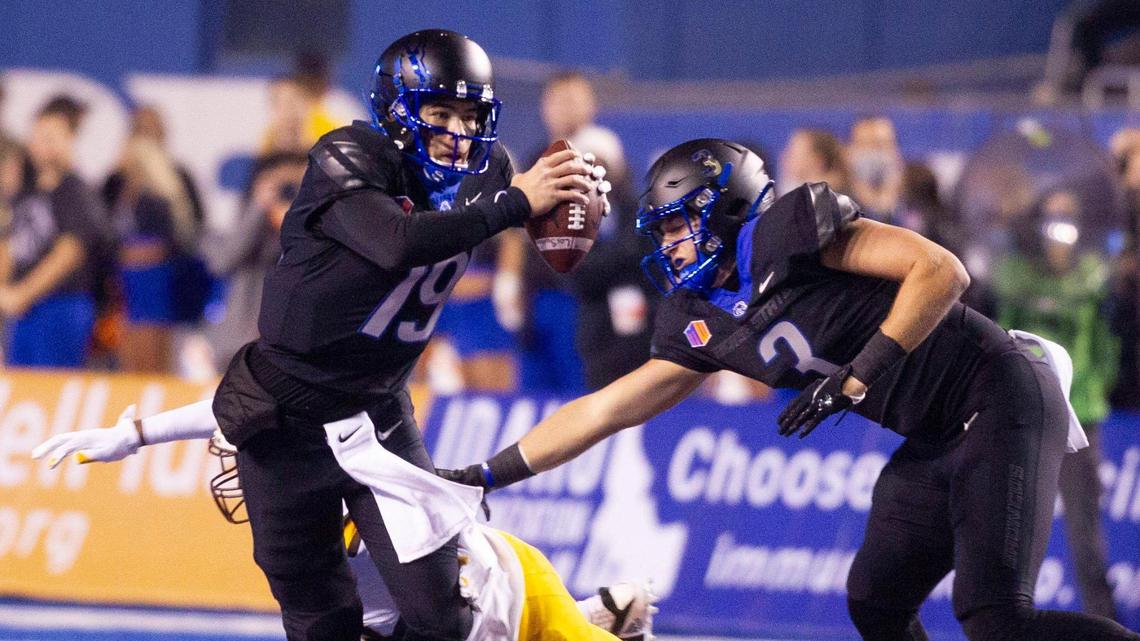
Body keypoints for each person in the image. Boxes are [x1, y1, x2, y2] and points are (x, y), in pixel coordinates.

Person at [438, 139, 1140, 641]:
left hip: (1003, 391)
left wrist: (860, 371)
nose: (674, 245)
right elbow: (606, 406)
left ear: (726, 209)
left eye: (681, 225)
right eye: (667, 230)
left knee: (996, 616)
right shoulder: (700, 314)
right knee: (874, 600)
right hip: (935, 433)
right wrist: (486, 471)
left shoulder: (789, 229)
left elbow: (940, 270)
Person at [202, 29, 597, 641]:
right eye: (440, 112)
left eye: (471, 114)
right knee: (317, 618)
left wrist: (572, 205)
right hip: (286, 411)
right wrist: (516, 205)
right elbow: (397, 244)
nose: (458, 130)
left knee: (439, 616)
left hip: (377, 408)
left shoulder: (489, 169)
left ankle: (549, 603)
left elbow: (542, 231)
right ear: (397, 110)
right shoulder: (347, 155)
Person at [31, 402, 659, 641]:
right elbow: (240, 398)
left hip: (515, 601)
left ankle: (586, 620)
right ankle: (599, 613)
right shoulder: (326, 510)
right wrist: (138, 433)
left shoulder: (365, 534)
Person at [992, 190, 1120, 621]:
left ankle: (1102, 619)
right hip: (1026, 415)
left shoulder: (1095, 275)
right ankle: (1002, 618)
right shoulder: (1015, 275)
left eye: (1069, 215)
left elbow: (1107, 342)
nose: (1059, 224)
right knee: (1011, 527)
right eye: (1052, 215)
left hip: (1080, 415)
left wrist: (1099, 383)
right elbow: (1005, 331)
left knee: (1085, 534)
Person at [1, 95, 112, 367]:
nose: (42, 146)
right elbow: (10, 244)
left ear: (69, 141)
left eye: (51, 137)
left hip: (61, 305)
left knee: (47, 385)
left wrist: (22, 294)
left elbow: (70, 251)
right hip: (24, 311)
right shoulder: (28, 193)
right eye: (38, 137)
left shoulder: (75, 191)